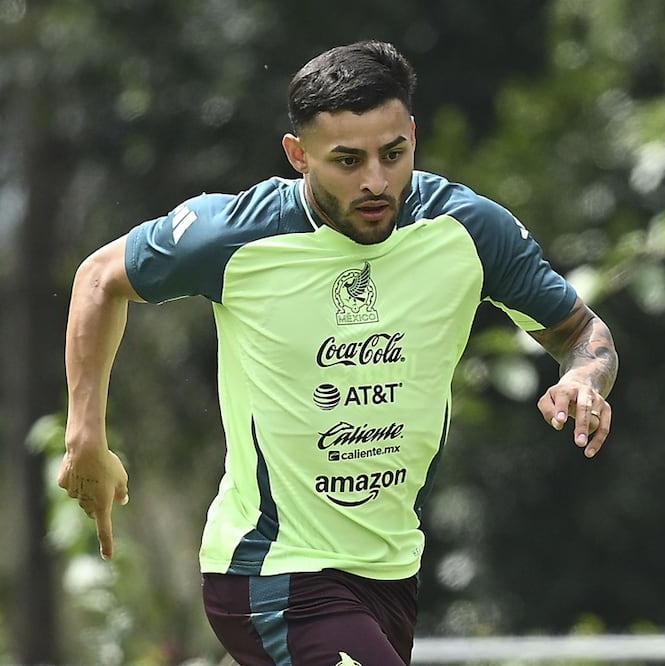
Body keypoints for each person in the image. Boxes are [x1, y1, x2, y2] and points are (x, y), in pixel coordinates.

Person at [58, 40, 618, 666]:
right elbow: (100, 278)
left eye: (393, 154)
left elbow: (578, 331)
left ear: (412, 133)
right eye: (347, 161)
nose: (375, 181)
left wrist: (585, 379)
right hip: (271, 571)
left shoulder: (468, 230)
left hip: (390, 573)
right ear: (298, 155)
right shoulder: (237, 237)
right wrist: (85, 435)